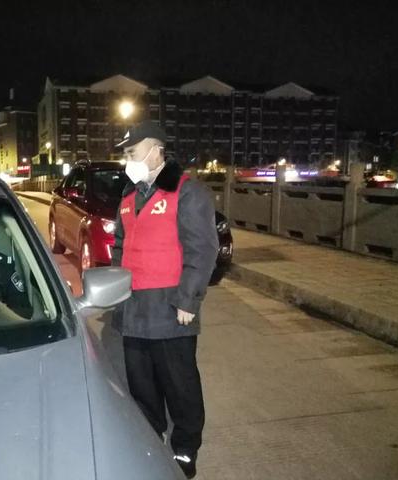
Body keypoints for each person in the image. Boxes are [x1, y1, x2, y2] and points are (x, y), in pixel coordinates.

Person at [111, 121, 219, 479]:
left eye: (133, 152)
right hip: (133, 308)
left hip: (172, 309)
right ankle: (150, 443)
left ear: (156, 149)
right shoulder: (129, 195)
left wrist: (189, 300)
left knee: (180, 387)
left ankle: (185, 451)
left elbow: (202, 249)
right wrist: (115, 289)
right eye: (126, 154)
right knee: (142, 387)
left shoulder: (187, 192)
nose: (128, 159)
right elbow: (120, 246)